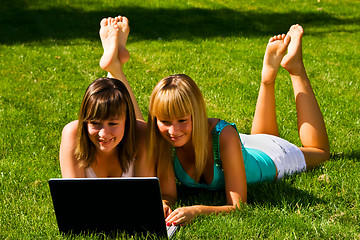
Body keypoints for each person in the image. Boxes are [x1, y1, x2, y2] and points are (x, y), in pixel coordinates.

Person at [147, 24, 330, 226]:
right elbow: (169, 194)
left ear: (197, 115)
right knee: (262, 135)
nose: (173, 131)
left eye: (182, 120)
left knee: (320, 152)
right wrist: (164, 203)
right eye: (165, 121)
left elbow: (237, 206)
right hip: (246, 146)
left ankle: (296, 69)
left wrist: (197, 210)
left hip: (275, 156)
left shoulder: (222, 135)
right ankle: (267, 78)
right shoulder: (163, 139)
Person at [60, 16, 153, 178]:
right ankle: (115, 67)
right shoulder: (73, 134)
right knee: (123, 113)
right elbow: (73, 198)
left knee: (140, 129)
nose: (103, 133)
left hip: (135, 132)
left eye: (113, 123)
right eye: (95, 123)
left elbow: (147, 192)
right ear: (85, 120)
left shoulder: (139, 133)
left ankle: (115, 65)